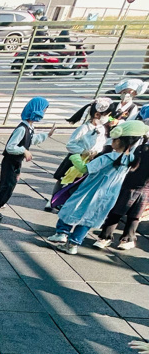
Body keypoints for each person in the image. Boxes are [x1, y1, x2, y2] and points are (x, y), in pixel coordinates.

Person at [46, 121, 148, 254]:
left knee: (72, 208)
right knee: (89, 219)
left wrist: (75, 157)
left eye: (114, 139)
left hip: (90, 190)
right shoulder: (131, 159)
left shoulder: (108, 157)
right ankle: (73, 244)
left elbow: (85, 169)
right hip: (108, 195)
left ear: (119, 141)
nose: (111, 141)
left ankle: (62, 233)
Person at [0, 96, 54, 220]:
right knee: (8, 185)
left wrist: (46, 135)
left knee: (8, 183)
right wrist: (24, 150)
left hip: (16, 161)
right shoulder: (22, 129)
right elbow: (10, 147)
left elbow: (31, 139)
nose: (43, 113)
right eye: (43, 110)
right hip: (10, 161)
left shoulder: (29, 127)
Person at [46, 98, 111, 212]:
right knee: (62, 179)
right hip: (75, 158)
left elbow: (101, 143)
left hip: (89, 159)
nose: (108, 118)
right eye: (106, 115)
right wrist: (83, 151)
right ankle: (53, 200)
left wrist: (96, 152)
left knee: (77, 181)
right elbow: (70, 144)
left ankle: (64, 201)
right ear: (97, 114)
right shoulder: (83, 128)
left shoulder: (101, 128)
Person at [93, 135, 149, 251]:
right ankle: (125, 239)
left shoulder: (140, 147)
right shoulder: (141, 148)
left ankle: (106, 237)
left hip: (131, 184)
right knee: (133, 216)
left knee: (118, 212)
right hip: (142, 187)